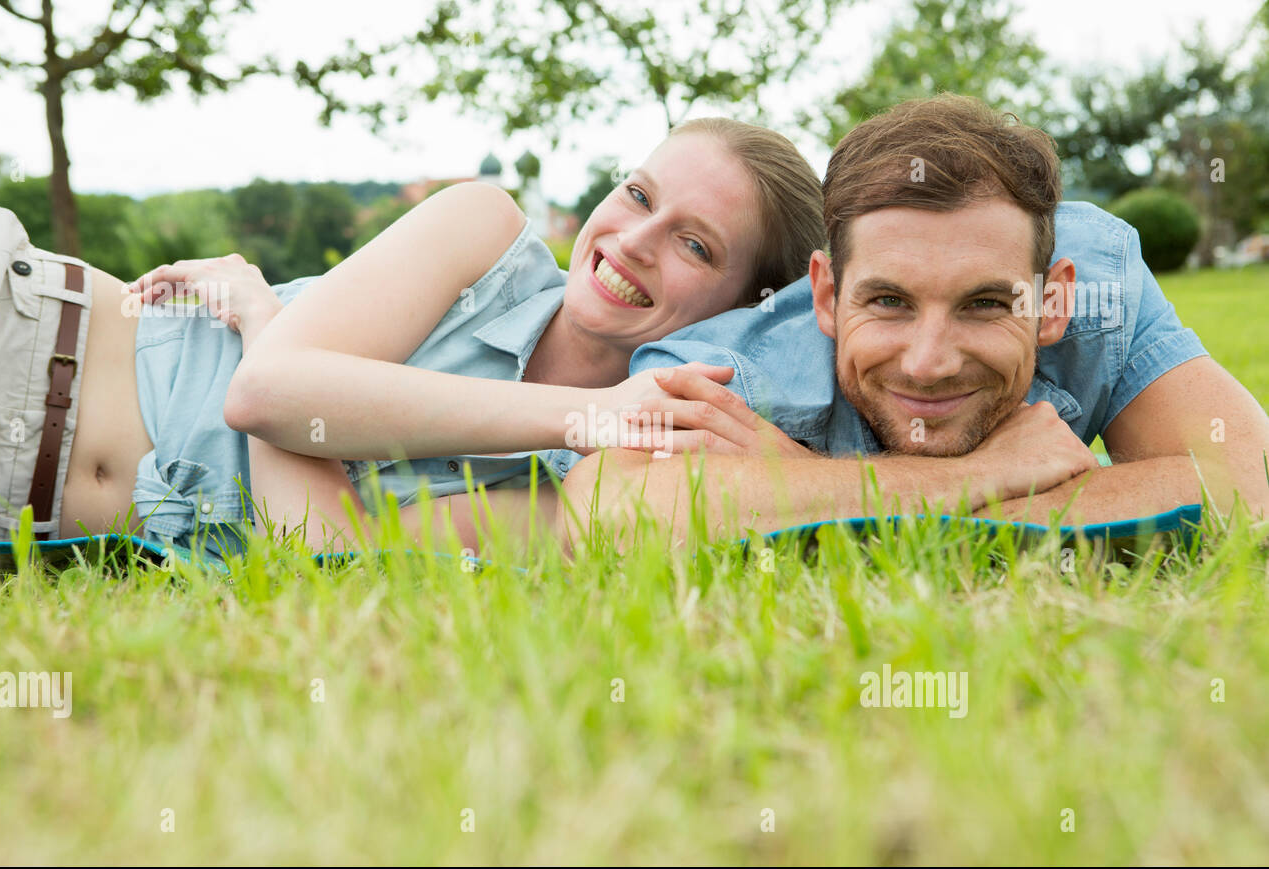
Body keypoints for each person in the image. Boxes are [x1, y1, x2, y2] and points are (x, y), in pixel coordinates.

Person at [0, 117, 826, 561]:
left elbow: (319, 554)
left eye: (694, 243)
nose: (635, 238)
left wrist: (268, 328)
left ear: (743, 305)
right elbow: (266, 398)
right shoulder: (482, 230)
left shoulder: (585, 490)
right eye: (639, 195)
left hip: (11, 507)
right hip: (22, 330)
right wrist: (594, 411)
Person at [530, 95, 1269, 547]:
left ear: (1052, 302)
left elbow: (1249, 479)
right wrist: (976, 478)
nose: (928, 361)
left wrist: (818, 496)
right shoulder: (740, 368)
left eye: (984, 303)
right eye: (888, 302)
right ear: (826, 297)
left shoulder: (1104, 289)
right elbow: (603, 515)